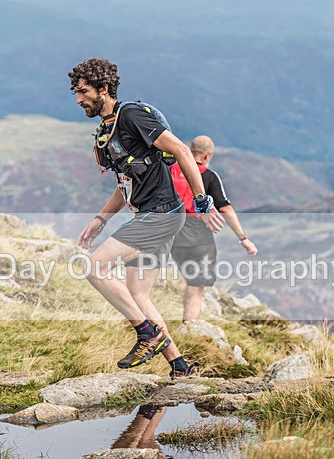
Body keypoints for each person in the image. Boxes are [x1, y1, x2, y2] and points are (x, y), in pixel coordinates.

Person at [69, 57, 225, 377]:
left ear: (104, 88)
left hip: (161, 214)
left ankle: (147, 334)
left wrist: (200, 197)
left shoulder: (131, 115)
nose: (78, 99)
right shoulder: (105, 131)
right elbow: (123, 184)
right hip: (149, 214)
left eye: (83, 91)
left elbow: (181, 149)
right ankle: (180, 366)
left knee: (95, 267)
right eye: (75, 92)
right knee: (138, 294)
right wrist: (99, 220)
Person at [170, 136, 258, 322]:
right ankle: (190, 330)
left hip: (170, 232)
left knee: (187, 279)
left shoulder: (171, 171)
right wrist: (243, 238)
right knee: (196, 286)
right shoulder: (208, 177)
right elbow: (224, 208)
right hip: (197, 236)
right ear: (208, 155)